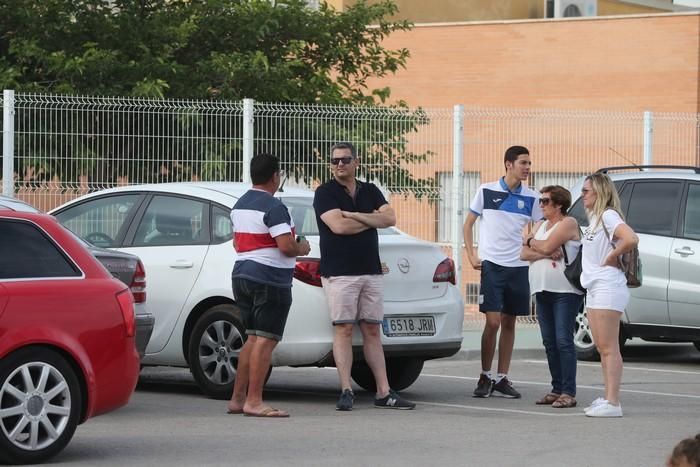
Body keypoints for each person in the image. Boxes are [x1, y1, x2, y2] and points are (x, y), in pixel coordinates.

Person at [313, 142, 415, 411]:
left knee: (372, 329)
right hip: (340, 273)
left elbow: (390, 218)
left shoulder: (370, 190)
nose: (339, 165)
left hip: (371, 270)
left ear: (356, 162)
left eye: (345, 160)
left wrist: (356, 214)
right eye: (334, 161)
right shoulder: (325, 193)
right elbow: (339, 226)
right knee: (344, 328)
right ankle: (346, 389)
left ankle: (383, 391)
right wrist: (370, 218)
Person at [227, 153, 311, 418]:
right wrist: (303, 247)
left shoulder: (239, 205)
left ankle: (238, 399)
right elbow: (286, 246)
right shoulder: (274, 207)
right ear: (276, 176)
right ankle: (254, 401)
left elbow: (237, 243)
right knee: (265, 340)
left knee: (251, 338)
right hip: (270, 279)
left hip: (242, 274)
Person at [463, 145, 543, 399]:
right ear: (509, 164)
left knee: (509, 322)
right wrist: (471, 255)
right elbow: (468, 224)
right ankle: (485, 375)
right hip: (492, 266)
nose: (528, 167)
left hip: (518, 267)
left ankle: (501, 377)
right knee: (493, 321)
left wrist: (533, 235)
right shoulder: (486, 190)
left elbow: (541, 223)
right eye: (523, 163)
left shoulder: (532, 196)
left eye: (529, 163)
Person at [579, 172, 638, 418]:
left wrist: (612, 256)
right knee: (603, 348)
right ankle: (607, 397)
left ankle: (614, 402)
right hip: (594, 286)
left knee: (609, 347)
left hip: (608, 286)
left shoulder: (608, 215)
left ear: (599, 192)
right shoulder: (594, 220)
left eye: (586, 191)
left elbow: (631, 238)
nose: (582, 195)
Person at [521, 185, 584, 408]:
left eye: (545, 201)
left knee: (563, 340)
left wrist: (533, 243)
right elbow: (523, 254)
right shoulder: (540, 225)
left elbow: (546, 246)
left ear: (559, 204)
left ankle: (568, 391)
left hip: (565, 291)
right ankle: (556, 388)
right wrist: (540, 249)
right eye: (540, 201)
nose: (541, 205)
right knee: (549, 342)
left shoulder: (568, 223)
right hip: (542, 288)